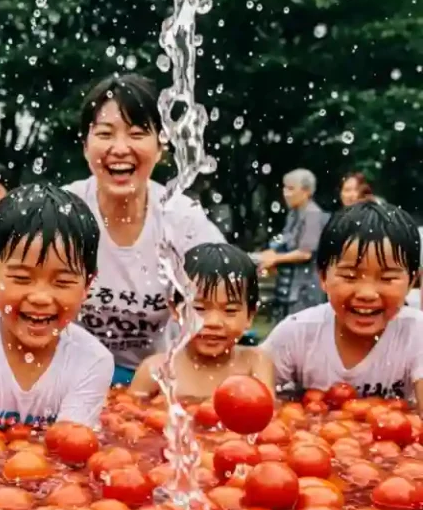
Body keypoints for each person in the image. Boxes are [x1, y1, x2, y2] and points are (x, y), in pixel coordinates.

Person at [64, 73, 225, 384]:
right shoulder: (63, 212)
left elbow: (226, 293)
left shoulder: (183, 220)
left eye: (137, 134)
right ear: (85, 146)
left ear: (160, 146)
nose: (120, 148)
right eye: (106, 134)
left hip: (157, 381)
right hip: (67, 375)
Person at [0, 183, 114, 429]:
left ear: (87, 285)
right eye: (21, 278)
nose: (40, 297)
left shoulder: (92, 360)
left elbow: (72, 446)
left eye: (62, 282)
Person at [262, 201, 423, 404]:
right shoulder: (296, 334)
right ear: (323, 277)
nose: (367, 294)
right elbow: (252, 399)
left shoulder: (417, 334)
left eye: (387, 278)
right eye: (349, 276)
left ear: (412, 281)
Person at [129, 243, 274, 399]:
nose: (213, 322)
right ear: (176, 310)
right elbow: (128, 415)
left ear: (250, 316)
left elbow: (271, 418)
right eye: (198, 308)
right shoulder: (156, 370)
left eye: (230, 310)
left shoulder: (254, 364)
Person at [256, 168, 326, 320]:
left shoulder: (312, 214)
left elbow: (305, 252)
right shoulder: (293, 214)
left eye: (291, 189)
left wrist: (276, 259)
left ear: (306, 191)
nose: (286, 193)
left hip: (304, 289)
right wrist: (271, 253)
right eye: (285, 188)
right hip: (288, 286)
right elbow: (285, 241)